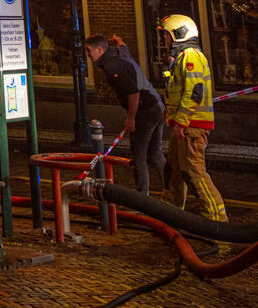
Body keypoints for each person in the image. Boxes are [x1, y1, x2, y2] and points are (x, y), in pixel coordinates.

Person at [159, 14, 225, 223]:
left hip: (192, 125)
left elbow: (194, 91)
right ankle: (170, 210)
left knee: (194, 171)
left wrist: (182, 121)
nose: (165, 39)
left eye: (167, 35)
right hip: (184, 124)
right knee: (175, 168)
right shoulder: (182, 57)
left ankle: (216, 218)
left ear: (179, 34)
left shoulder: (190, 56)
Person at [84, 33, 164, 194]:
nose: (87, 54)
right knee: (155, 153)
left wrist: (131, 118)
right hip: (157, 106)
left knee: (139, 155)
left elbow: (133, 92)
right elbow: (122, 44)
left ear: (99, 50)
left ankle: (142, 198)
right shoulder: (120, 52)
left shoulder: (112, 66)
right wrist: (118, 40)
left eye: (89, 50)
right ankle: (175, 188)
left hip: (144, 111)